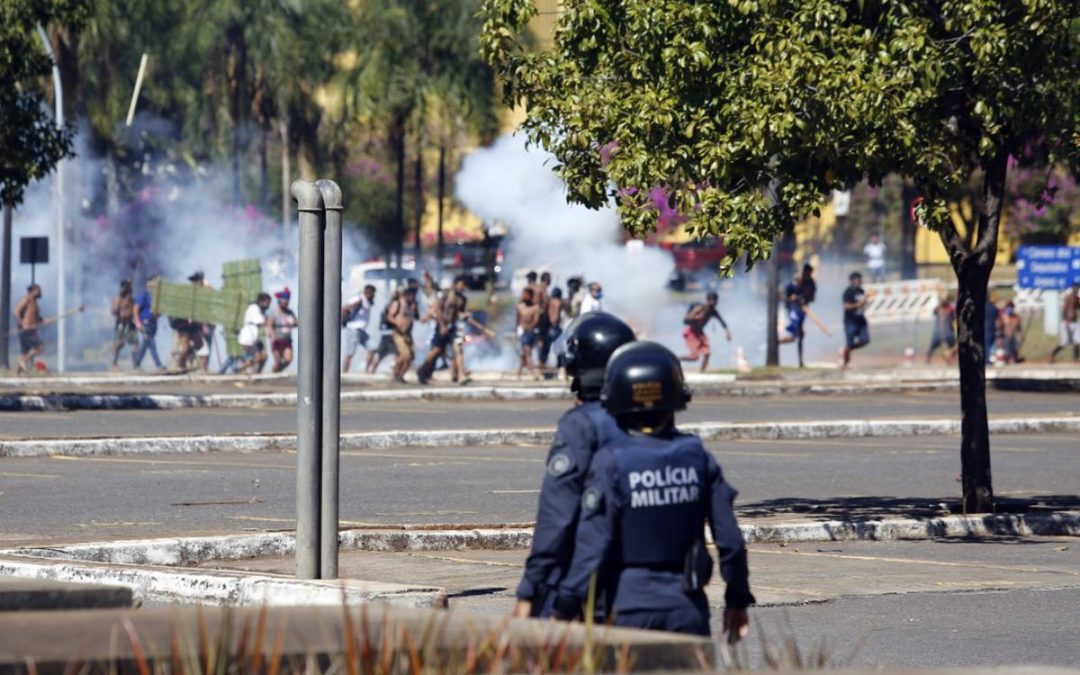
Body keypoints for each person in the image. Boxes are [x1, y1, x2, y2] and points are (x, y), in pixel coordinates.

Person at [552, 341, 754, 639]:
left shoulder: (610, 462)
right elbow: (730, 542)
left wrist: (566, 604)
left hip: (626, 609)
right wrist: (737, 600)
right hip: (686, 608)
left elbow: (592, 544)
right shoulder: (697, 456)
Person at [513, 312, 636, 620]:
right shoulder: (651, 423)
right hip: (647, 588)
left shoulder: (580, 426)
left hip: (584, 588)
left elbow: (557, 516)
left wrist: (530, 589)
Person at [679, 291, 731, 373]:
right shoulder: (700, 308)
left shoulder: (713, 311)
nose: (714, 303)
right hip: (691, 333)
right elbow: (685, 321)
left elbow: (722, 322)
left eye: (715, 300)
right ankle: (676, 359)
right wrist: (694, 314)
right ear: (708, 300)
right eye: (712, 300)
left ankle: (702, 372)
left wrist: (727, 332)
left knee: (707, 353)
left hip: (700, 333)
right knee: (694, 357)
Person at [171, 271, 206, 372]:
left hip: (193, 325)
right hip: (183, 325)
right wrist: (187, 316)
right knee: (185, 347)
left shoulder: (201, 294)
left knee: (199, 344)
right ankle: (180, 364)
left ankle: (184, 358)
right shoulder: (187, 292)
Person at [13, 284, 46, 375]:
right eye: (39, 290)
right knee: (40, 347)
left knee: (25, 352)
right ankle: (23, 360)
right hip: (25, 330)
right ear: (33, 290)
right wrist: (21, 323)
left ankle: (16, 375)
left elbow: (33, 316)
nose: (41, 292)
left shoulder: (34, 302)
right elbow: (16, 311)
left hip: (31, 330)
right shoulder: (27, 299)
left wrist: (42, 320)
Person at [342, 284, 376, 373]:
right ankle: (345, 371)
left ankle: (366, 370)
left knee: (372, 347)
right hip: (353, 329)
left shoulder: (366, 301)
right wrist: (345, 319)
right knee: (350, 352)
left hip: (361, 330)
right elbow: (345, 308)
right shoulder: (358, 299)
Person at [841, 271, 870, 369]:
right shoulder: (848, 292)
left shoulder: (861, 291)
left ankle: (848, 349)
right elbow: (846, 306)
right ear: (852, 281)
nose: (860, 281)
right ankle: (845, 362)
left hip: (861, 320)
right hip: (850, 321)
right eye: (858, 279)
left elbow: (863, 303)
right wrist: (858, 305)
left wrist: (864, 302)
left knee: (865, 340)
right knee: (849, 343)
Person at [133, 279, 164, 371]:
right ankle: (159, 365)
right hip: (145, 323)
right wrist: (137, 322)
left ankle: (137, 364)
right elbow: (135, 309)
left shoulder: (156, 297)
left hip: (153, 324)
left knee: (146, 345)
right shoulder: (144, 295)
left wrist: (157, 314)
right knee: (152, 343)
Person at [367, 290, 400, 374]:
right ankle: (395, 370)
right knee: (398, 352)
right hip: (390, 333)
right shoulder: (396, 303)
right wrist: (399, 323)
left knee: (381, 353)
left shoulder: (389, 304)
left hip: (385, 332)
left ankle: (372, 370)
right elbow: (390, 317)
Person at [389, 286, 417, 383]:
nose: (413, 298)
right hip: (399, 334)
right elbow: (389, 316)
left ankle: (400, 375)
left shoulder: (413, 306)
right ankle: (395, 374)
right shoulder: (398, 303)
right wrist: (398, 324)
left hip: (408, 335)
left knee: (411, 357)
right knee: (405, 355)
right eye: (411, 295)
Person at [237, 293, 271, 373]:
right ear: (261, 301)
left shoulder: (260, 310)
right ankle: (239, 369)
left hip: (254, 338)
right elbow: (260, 321)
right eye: (267, 302)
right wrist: (269, 321)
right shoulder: (254, 308)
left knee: (264, 356)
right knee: (258, 357)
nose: (268, 305)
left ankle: (257, 373)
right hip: (248, 337)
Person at [268, 288, 298, 372]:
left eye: (287, 302)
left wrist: (294, 323)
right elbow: (269, 325)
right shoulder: (274, 312)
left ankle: (277, 372)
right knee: (277, 362)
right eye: (284, 302)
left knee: (288, 359)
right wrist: (273, 336)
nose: (286, 304)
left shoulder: (290, 312)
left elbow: (296, 323)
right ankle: (274, 372)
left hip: (287, 340)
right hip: (277, 340)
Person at [111, 279, 138, 370]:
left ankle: (135, 365)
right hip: (121, 324)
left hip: (130, 323)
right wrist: (120, 305)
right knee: (119, 344)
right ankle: (114, 363)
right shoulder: (118, 299)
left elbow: (134, 309)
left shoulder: (131, 299)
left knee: (136, 344)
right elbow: (114, 311)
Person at [1050, 283, 1080, 363]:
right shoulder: (1069, 297)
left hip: (1074, 322)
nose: (1076, 289)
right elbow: (1065, 309)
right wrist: (1066, 320)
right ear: (1073, 288)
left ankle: (1076, 358)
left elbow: (1077, 307)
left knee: (1077, 340)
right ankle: (1052, 354)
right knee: (1064, 343)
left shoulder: (1076, 298)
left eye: (1077, 288)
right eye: (1075, 288)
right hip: (1067, 322)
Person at [517, 287, 542, 379]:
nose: (524, 296)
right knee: (525, 353)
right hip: (522, 332)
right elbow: (517, 320)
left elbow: (536, 320)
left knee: (527, 352)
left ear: (531, 296)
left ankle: (530, 372)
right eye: (523, 295)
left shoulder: (535, 307)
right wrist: (516, 331)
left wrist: (529, 327)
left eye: (526, 295)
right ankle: (521, 373)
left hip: (530, 332)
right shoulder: (520, 306)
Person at [927, 293, 958, 364]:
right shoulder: (943, 309)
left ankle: (949, 358)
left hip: (942, 333)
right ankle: (949, 357)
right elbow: (935, 311)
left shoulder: (948, 309)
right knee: (953, 346)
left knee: (952, 345)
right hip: (944, 333)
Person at [538, 286, 565, 367]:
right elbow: (556, 315)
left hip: (549, 326)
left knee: (546, 347)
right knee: (558, 347)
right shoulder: (558, 302)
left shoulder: (549, 301)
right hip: (555, 326)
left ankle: (543, 362)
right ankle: (559, 364)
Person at [984, 294, 1000, 365]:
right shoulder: (994, 308)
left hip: (984, 328)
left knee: (985, 344)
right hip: (991, 328)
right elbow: (997, 319)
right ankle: (987, 359)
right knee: (989, 344)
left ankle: (985, 360)